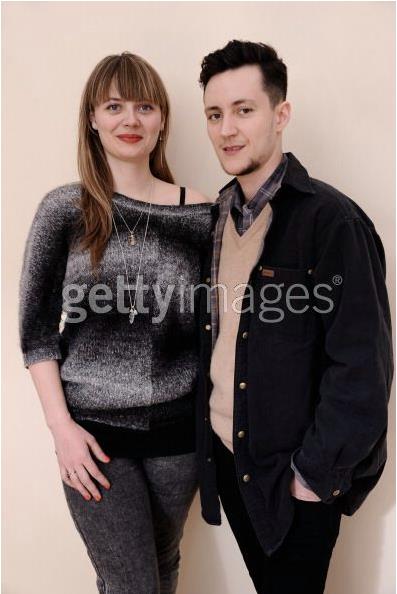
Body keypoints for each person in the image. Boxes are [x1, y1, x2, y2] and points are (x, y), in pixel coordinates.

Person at [195, 40, 393, 594]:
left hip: (293, 478)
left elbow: (362, 366)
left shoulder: (331, 221)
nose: (227, 129)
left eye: (244, 109)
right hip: (230, 459)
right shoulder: (215, 219)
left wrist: (311, 478)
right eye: (215, 114)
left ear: (280, 115)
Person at [19, 51, 212, 594]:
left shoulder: (198, 213)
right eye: (115, 105)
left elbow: (212, 328)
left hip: (180, 440)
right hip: (95, 439)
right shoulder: (65, 210)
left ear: (162, 120)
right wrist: (62, 431)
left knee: (163, 564)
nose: (130, 119)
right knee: (133, 584)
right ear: (92, 119)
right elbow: (35, 334)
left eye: (145, 106)